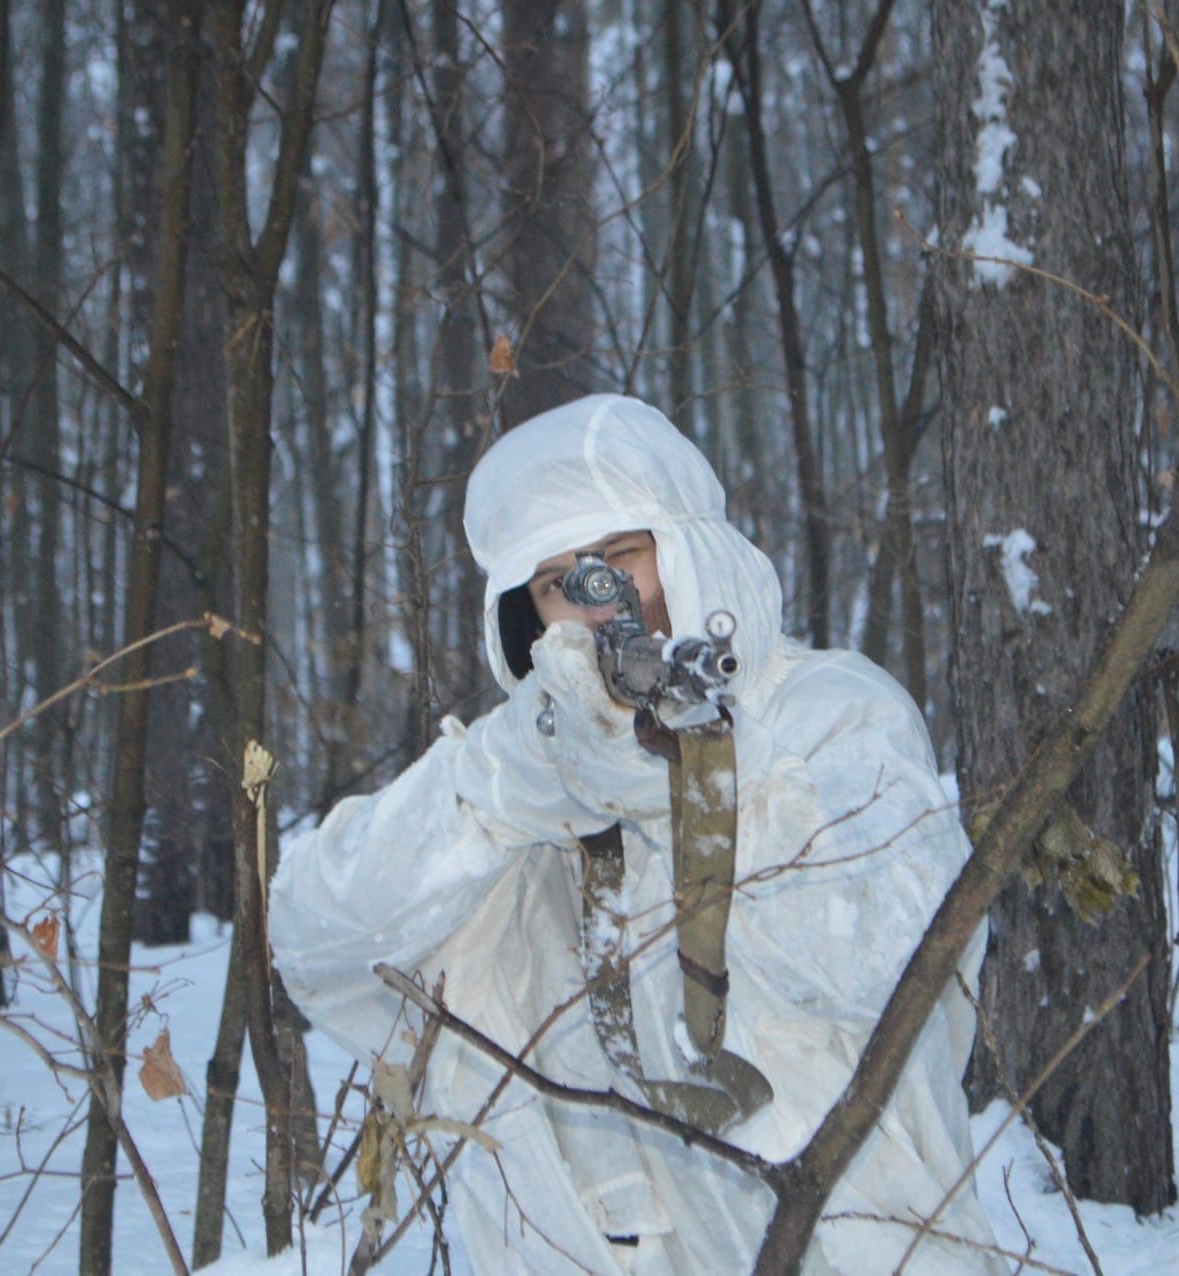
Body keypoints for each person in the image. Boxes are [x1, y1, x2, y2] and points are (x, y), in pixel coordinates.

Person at [270, 394, 1004, 1273]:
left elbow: (881, 956)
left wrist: (693, 786)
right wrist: (508, 779)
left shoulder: (832, 713)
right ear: (527, 619)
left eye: (619, 556)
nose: (595, 599)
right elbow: (319, 938)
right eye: (555, 582)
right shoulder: (528, 791)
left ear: (690, 555)